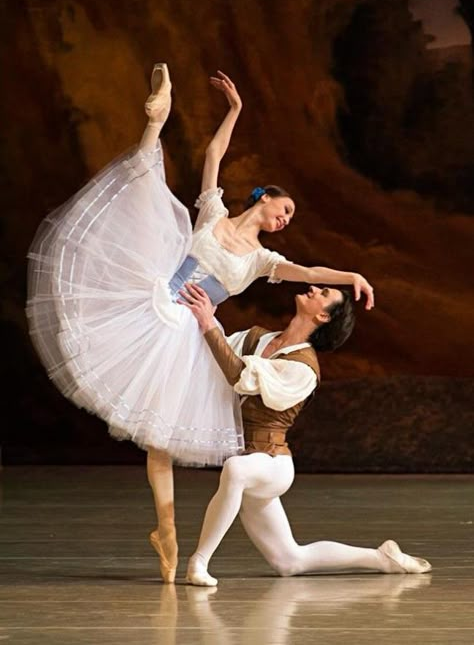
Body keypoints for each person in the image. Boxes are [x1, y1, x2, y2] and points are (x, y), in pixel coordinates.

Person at [26, 65, 375, 583]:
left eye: (290, 218)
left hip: (185, 330)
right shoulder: (212, 214)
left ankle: (166, 534)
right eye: (285, 208)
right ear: (263, 198)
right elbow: (213, 156)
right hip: (154, 304)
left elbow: (309, 270)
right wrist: (234, 110)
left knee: (158, 436)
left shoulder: (261, 260)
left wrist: (351, 275)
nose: (286, 218)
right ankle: (156, 120)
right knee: (149, 183)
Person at [180, 283, 431, 586]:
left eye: (323, 294)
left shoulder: (304, 369)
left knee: (236, 469)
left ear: (324, 317)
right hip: (250, 463)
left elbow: (239, 376)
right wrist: (192, 318)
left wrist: (209, 324)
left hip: (272, 465)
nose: (313, 288)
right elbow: (213, 354)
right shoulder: (259, 338)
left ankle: (199, 562)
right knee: (290, 561)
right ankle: (382, 558)